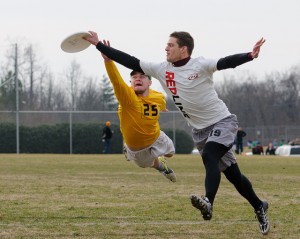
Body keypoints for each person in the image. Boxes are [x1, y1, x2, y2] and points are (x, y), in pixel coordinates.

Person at [85, 31, 269, 235]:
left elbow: (226, 62)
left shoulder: (200, 64)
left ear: (183, 49)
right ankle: (259, 205)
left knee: (209, 155)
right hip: (200, 130)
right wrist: (99, 46)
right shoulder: (161, 69)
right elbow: (131, 61)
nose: (166, 48)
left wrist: (250, 55)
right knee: (234, 175)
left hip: (222, 121)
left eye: (170, 45)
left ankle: (208, 202)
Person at [98, 46, 176, 182]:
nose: (137, 78)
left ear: (150, 82)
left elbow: (161, 102)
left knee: (170, 153)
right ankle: (161, 167)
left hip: (157, 137)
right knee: (150, 164)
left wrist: (163, 108)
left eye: (142, 76)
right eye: (134, 77)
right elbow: (117, 82)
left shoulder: (158, 96)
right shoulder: (128, 99)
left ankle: (161, 158)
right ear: (131, 82)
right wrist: (109, 62)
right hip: (138, 148)